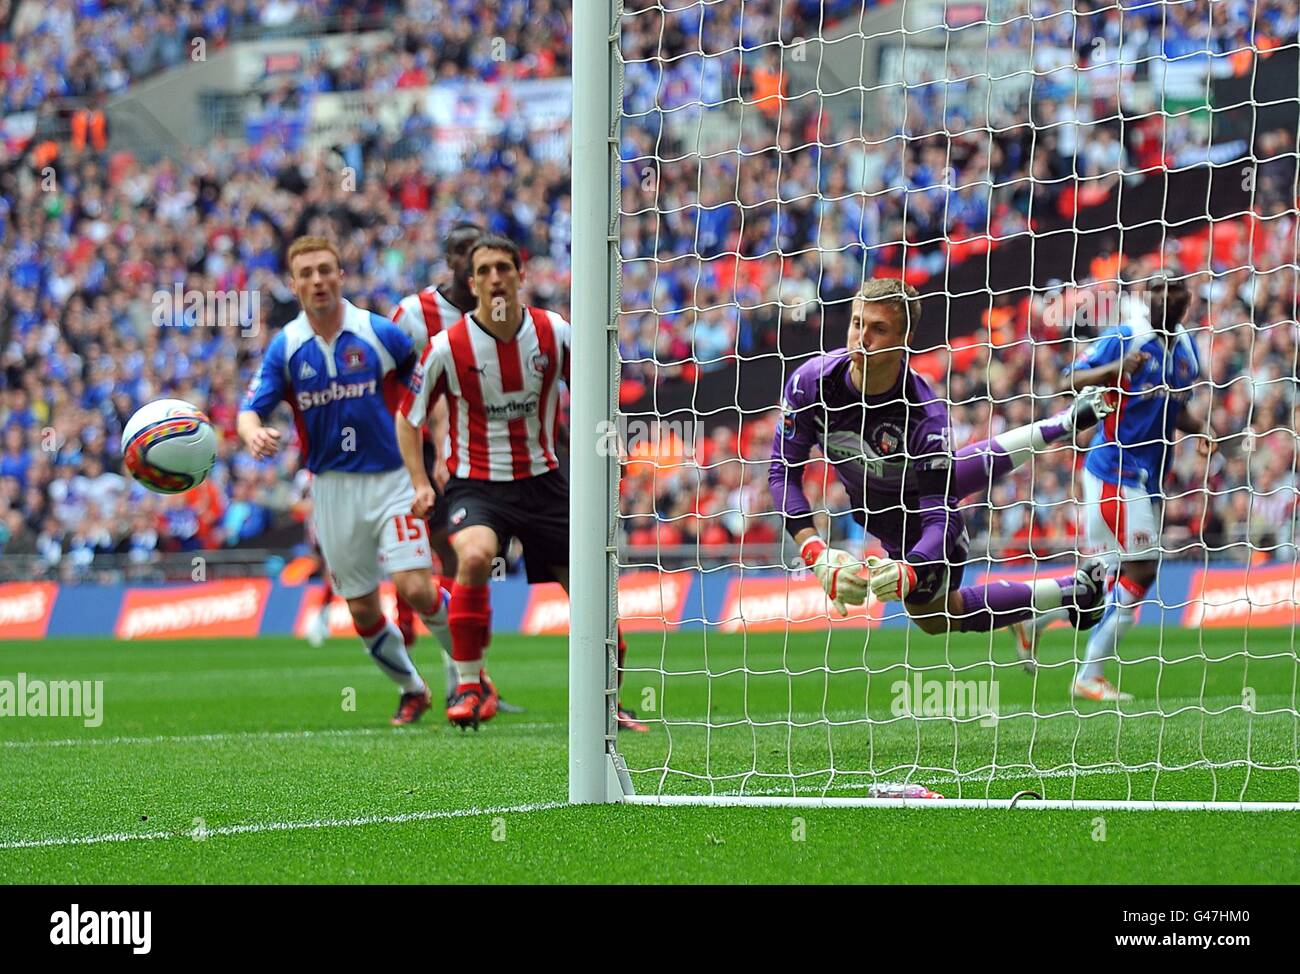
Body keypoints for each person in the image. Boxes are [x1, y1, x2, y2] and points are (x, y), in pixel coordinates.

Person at [395, 233, 647, 731]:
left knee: (593, 589)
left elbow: (600, 390)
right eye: (484, 271)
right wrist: (421, 482)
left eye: (503, 269)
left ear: (520, 276)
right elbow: (409, 417)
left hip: (543, 482)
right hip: (476, 484)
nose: (495, 279)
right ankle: (469, 686)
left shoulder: (554, 332)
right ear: (472, 282)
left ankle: (610, 702)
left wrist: (609, 448)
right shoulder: (448, 346)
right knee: (471, 556)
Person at [770, 277, 1113, 637]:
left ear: (905, 340)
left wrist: (912, 569)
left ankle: (1071, 591)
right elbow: (782, 471)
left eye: (878, 329)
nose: (862, 338)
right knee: (953, 471)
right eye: (858, 323)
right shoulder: (810, 383)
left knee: (934, 618)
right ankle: (1064, 422)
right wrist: (816, 552)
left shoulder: (924, 415)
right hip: (882, 500)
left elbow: (940, 517)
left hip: (916, 519)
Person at [239, 236, 452, 726]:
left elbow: (428, 388)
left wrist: (437, 450)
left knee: (416, 587)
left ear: (340, 276)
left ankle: (468, 673)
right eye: (306, 273)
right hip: (331, 488)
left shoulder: (378, 333)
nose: (317, 280)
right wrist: (254, 436)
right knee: (360, 610)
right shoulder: (287, 347)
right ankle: (411, 688)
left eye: (325, 270)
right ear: (293, 285)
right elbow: (249, 411)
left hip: (393, 479)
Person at [1013, 274, 1213, 701]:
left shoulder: (1186, 353)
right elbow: (1069, 379)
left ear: (1186, 302)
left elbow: (1173, 409)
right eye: (1157, 292)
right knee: (1140, 570)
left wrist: (1202, 428)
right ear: (1147, 298)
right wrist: (1116, 369)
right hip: (1115, 471)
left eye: (1174, 293)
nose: (1166, 300)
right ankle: (1088, 675)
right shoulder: (1125, 336)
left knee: (1111, 573)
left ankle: (1036, 616)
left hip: (1146, 476)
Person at [387, 222, 520, 713]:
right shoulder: (415, 315)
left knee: (471, 563)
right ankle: (461, 680)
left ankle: (468, 679)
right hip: (427, 454)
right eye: (464, 253)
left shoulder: (504, 312)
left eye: (481, 253)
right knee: (447, 560)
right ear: (450, 260)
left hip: (491, 451)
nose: (473, 263)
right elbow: (396, 388)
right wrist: (425, 455)